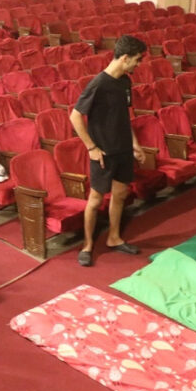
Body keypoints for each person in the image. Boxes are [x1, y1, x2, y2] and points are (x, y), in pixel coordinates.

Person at [69, 35, 148, 267]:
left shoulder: (125, 81)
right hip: (103, 153)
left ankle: (114, 238)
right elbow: (75, 117)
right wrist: (91, 148)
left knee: (120, 195)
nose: (139, 64)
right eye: (137, 59)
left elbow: (124, 117)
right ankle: (87, 245)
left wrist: (135, 144)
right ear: (124, 58)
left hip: (123, 150)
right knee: (95, 200)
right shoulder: (98, 84)